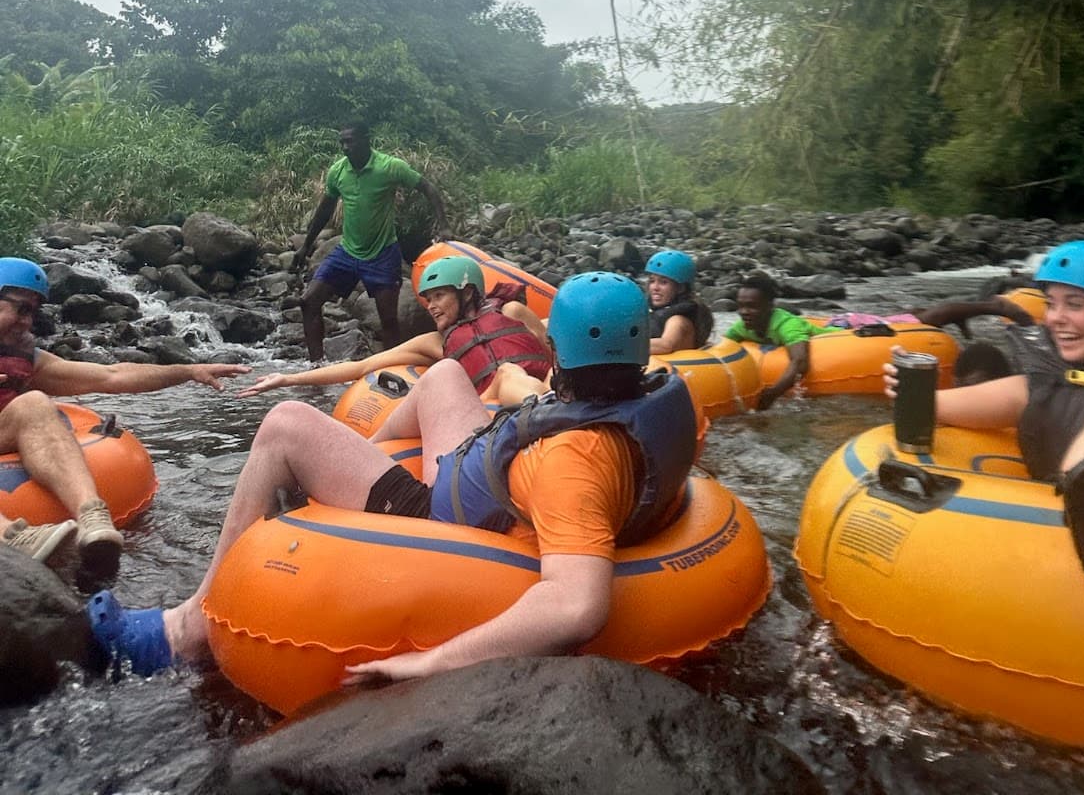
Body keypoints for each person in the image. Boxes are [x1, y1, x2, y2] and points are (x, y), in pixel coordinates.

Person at [86, 272, 699, 679]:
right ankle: (347, 469)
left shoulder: (577, 464)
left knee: (285, 423)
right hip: (483, 472)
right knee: (442, 377)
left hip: (447, 516)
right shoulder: (652, 399)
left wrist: (429, 664)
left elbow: (577, 607)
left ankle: (189, 628)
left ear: (557, 348)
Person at [885, 241, 1084, 580]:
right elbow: (933, 407)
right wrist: (904, 388)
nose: (1054, 319)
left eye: (1074, 305)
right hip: (1074, 531)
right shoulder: (1033, 387)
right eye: (1051, 304)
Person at [0, 256, 247, 575]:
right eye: (20, 309)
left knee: (33, 402)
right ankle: (12, 538)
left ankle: (92, 517)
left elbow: (112, 375)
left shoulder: (26, 358)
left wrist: (187, 370)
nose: (26, 322)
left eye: (32, 313)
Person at [241, 253, 551, 405]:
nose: (431, 306)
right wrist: (287, 378)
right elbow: (361, 366)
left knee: (535, 375)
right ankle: (542, 407)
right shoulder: (433, 342)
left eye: (440, 296)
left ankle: (555, 405)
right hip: (494, 404)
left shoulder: (512, 311)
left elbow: (552, 353)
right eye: (428, 299)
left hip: (544, 383)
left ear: (467, 292)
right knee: (508, 374)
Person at [295, 121, 450, 362]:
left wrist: (443, 225)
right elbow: (325, 209)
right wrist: (306, 245)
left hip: (382, 254)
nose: (346, 147)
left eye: (351, 141)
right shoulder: (338, 171)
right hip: (347, 252)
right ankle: (317, 367)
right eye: (342, 142)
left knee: (387, 320)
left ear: (367, 140)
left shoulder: (389, 167)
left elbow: (427, 187)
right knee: (308, 302)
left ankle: (390, 372)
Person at [725, 272, 839, 409]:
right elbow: (720, 349)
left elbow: (800, 362)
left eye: (751, 306)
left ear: (769, 305)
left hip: (838, 337)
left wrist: (772, 394)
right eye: (741, 306)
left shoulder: (788, 325)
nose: (744, 312)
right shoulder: (742, 327)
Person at [644, 251, 713, 356]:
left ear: (681, 288)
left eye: (663, 282)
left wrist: (622, 347)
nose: (655, 287)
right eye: (652, 281)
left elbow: (665, 345)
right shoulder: (659, 313)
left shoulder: (678, 320)